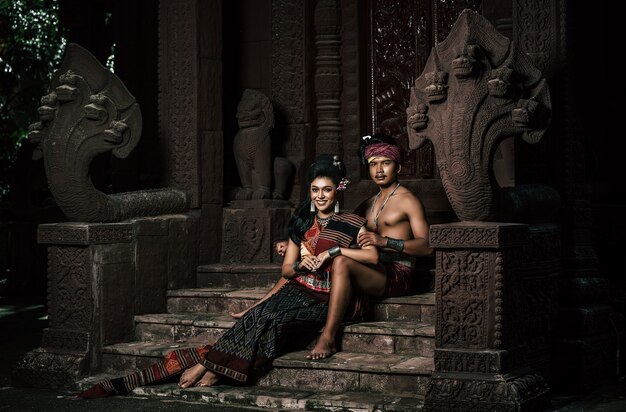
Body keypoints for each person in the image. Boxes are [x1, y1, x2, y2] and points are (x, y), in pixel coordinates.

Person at [74, 154, 377, 398]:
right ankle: (212, 365)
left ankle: (212, 367)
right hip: (298, 287)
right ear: (309, 191)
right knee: (254, 319)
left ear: (339, 189)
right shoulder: (300, 223)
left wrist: (334, 253)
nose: (320, 195)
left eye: (327, 189)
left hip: (327, 298)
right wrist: (300, 265)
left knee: (275, 324)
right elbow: (287, 269)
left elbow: (372, 256)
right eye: (315, 189)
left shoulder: (352, 223)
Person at [305, 133, 433, 360]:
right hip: (372, 268)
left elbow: (427, 247)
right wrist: (299, 243)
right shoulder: (367, 204)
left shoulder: (408, 200)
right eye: (373, 164)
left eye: (386, 163)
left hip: (399, 272)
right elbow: (338, 232)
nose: (379, 170)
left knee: (341, 260)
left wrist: (385, 242)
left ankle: (329, 337)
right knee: (326, 260)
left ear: (398, 167)